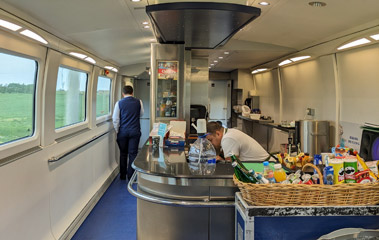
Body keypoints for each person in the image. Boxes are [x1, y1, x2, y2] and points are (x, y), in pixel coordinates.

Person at [113, 85, 144, 180]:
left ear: (123, 93)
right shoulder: (139, 102)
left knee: (123, 153)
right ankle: (131, 176)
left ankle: (122, 175)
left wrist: (117, 131)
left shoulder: (119, 103)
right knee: (133, 153)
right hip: (135, 131)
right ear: (132, 93)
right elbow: (141, 113)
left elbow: (115, 119)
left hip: (123, 132)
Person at [206, 121, 271, 162]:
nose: (210, 144)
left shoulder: (228, 138)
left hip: (263, 168)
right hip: (262, 164)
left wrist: (220, 160)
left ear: (218, 134)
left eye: (210, 140)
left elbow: (231, 167)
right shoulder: (229, 132)